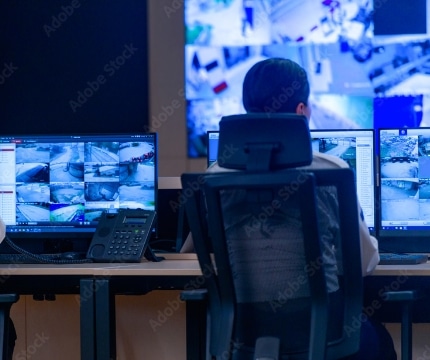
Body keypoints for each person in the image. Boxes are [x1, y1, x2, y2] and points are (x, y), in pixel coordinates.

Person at [181, 57, 396, 360]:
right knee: (381, 340)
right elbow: (363, 264)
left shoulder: (215, 177)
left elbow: (191, 252)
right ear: (300, 111)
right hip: (324, 335)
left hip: (242, 336)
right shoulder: (330, 170)